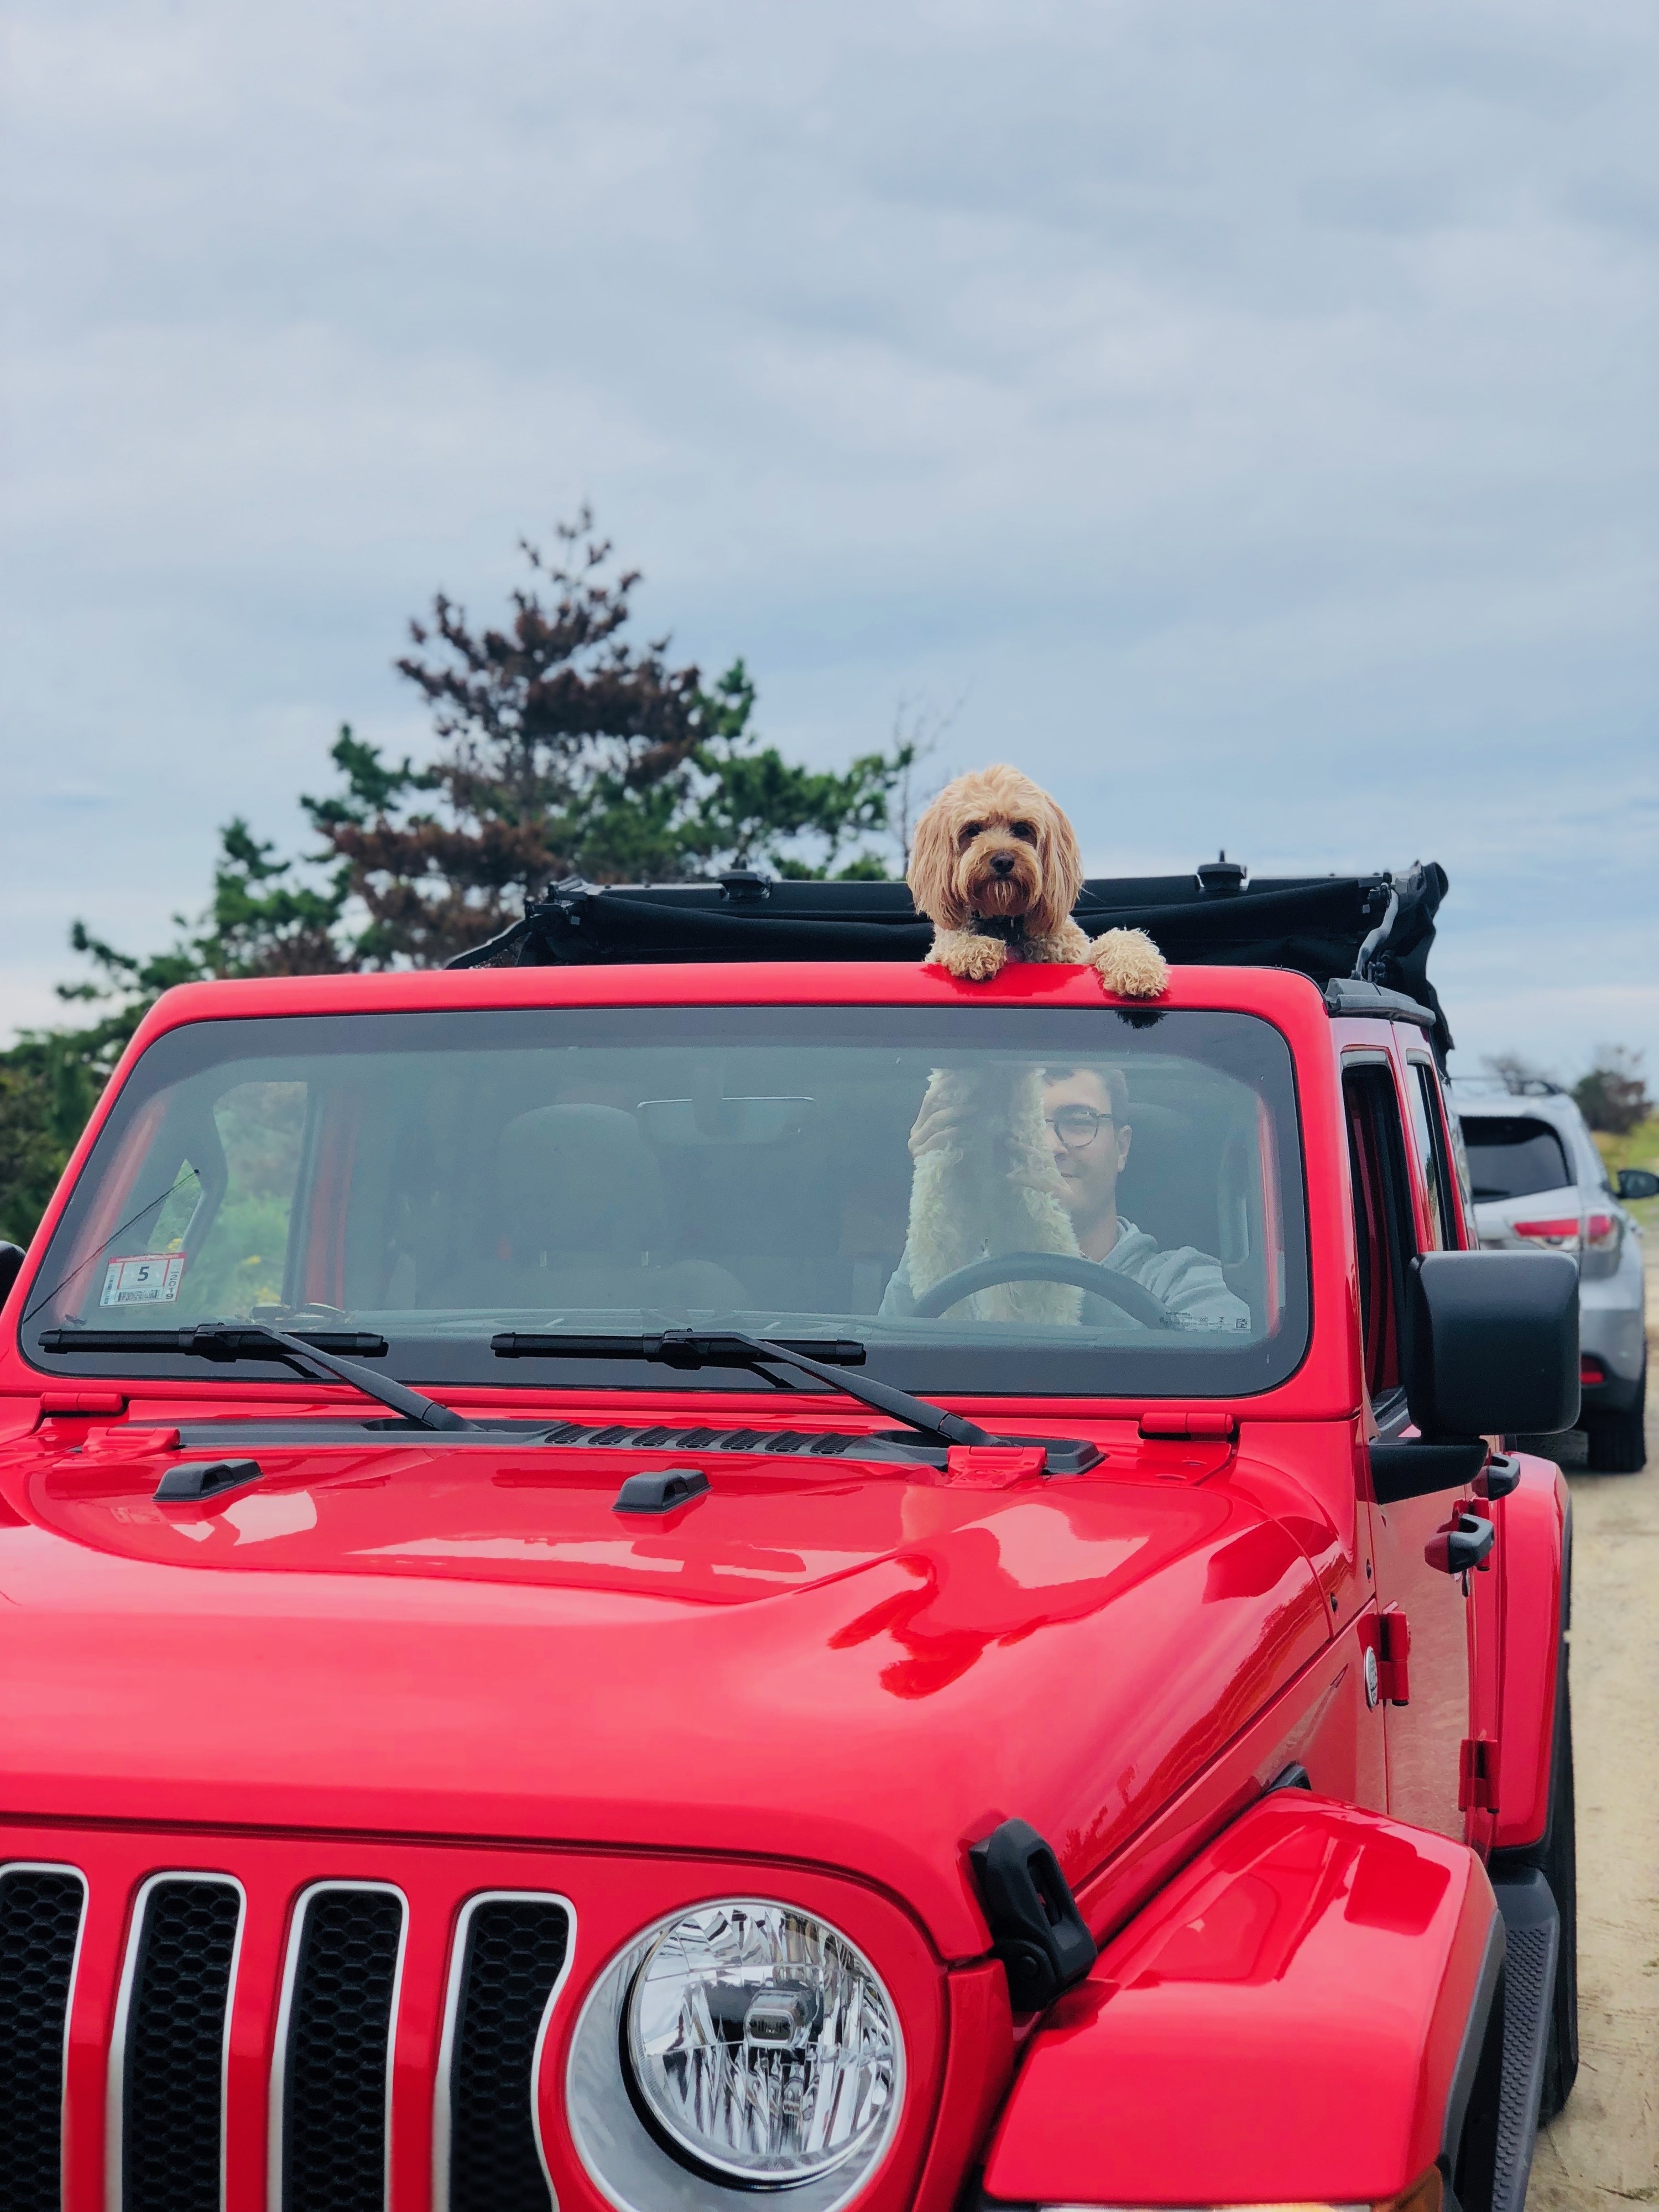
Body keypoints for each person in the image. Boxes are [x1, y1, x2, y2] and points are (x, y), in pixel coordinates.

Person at [879, 1062, 1250, 1329]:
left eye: (1078, 1121)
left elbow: (1218, 1376)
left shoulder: (1182, 1279)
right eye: (1026, 1126)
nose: (1048, 1146)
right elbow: (884, 1374)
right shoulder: (958, 1280)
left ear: (1122, 1148)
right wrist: (943, 1195)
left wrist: (1046, 1236)